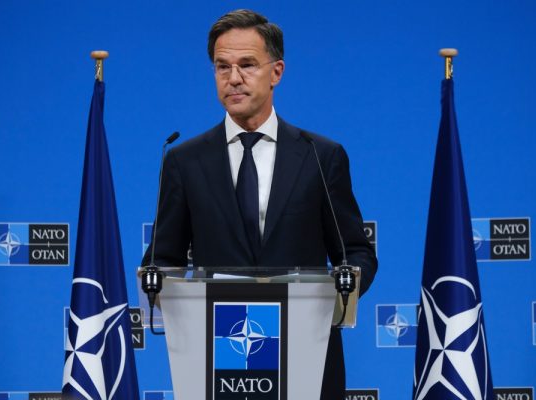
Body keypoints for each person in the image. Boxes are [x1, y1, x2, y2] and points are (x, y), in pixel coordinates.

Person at [142, 9, 378, 399]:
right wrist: (156, 279)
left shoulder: (320, 156)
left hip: (307, 352)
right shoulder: (184, 161)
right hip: (219, 355)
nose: (233, 78)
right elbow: (164, 258)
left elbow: (355, 251)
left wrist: (343, 287)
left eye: (247, 65)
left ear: (276, 72)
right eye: (222, 66)